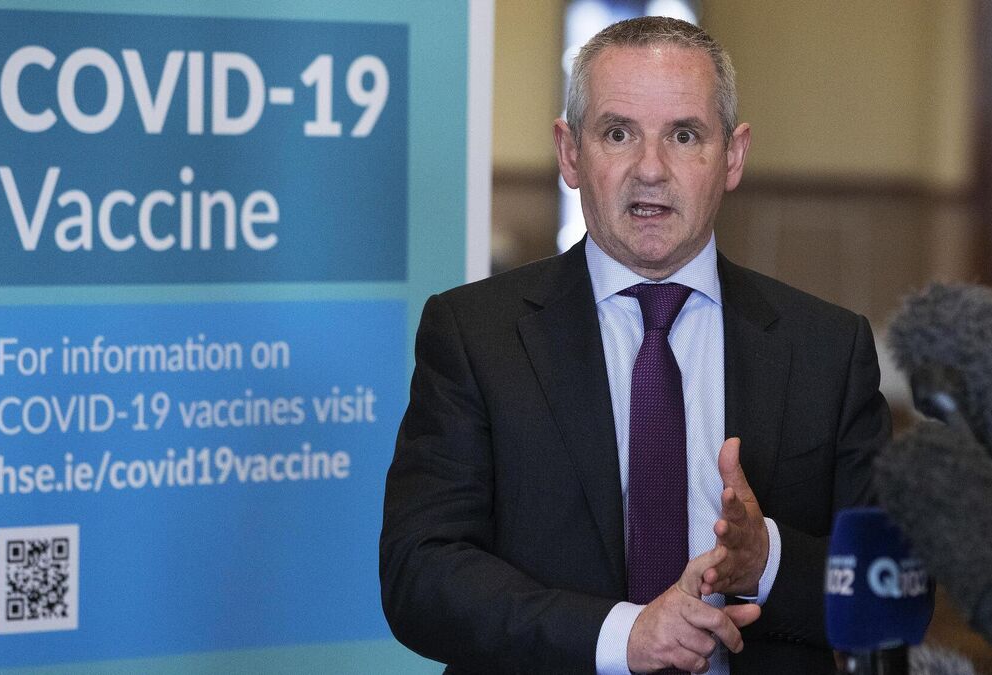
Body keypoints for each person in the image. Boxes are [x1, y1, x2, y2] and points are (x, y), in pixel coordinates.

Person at [380, 16, 891, 675]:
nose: (650, 169)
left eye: (684, 135)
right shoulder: (474, 335)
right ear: (570, 153)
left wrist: (767, 561)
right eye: (618, 133)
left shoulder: (827, 348)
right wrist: (623, 635)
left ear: (733, 156)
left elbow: (891, 591)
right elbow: (420, 574)